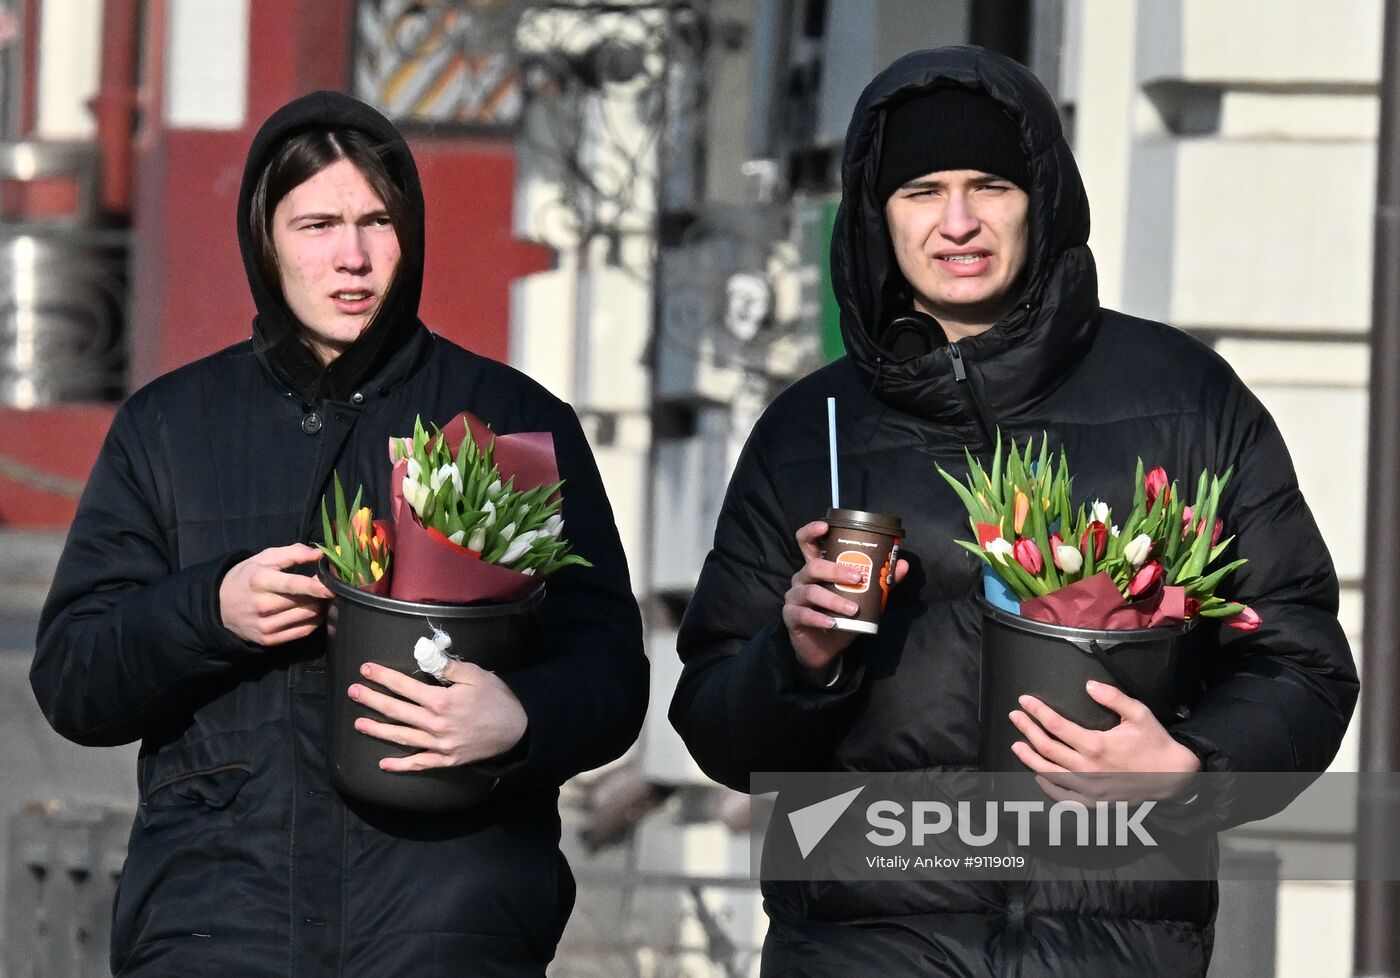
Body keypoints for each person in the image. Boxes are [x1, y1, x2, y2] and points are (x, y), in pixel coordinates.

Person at [669, 45, 1357, 976]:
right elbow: (714, 723)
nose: (958, 223)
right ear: (875, 218)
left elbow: (1300, 666)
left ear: (1041, 196)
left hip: (1114, 950)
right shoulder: (810, 431)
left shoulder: (1184, 398)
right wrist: (797, 658)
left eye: (988, 185)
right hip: (865, 952)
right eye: (921, 193)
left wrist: (1194, 771)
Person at [30, 91, 648, 977]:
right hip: (216, 927)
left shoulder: (509, 417)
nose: (351, 258)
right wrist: (211, 611)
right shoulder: (169, 428)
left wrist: (520, 718)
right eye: (317, 223)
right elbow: (73, 680)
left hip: (448, 920)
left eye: (377, 222)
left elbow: (610, 672)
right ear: (264, 238)